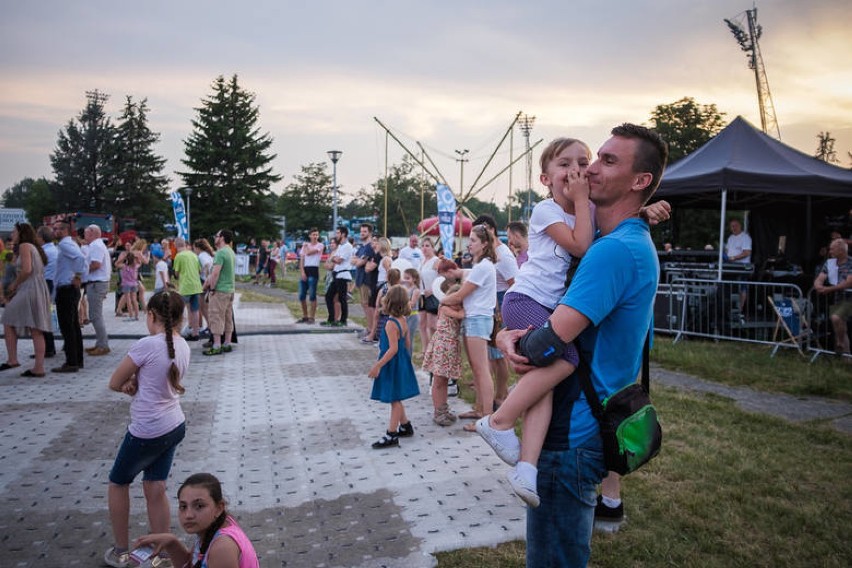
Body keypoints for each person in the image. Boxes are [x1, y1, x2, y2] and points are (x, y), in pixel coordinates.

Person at [496, 123, 668, 567]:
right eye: (596, 157)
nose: (589, 168)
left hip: (573, 432)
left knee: (553, 560)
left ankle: (496, 423)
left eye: (607, 161)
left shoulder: (613, 251)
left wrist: (512, 340)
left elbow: (550, 341)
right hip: (585, 417)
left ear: (640, 181)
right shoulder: (619, 241)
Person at [475, 137, 595, 507]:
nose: (574, 170)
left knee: (542, 384)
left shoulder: (587, 208)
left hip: (547, 307)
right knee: (566, 360)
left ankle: (527, 469)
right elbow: (580, 246)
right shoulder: (546, 210)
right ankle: (497, 421)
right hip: (526, 300)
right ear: (545, 178)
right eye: (564, 164)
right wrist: (580, 200)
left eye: (583, 162)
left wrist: (647, 210)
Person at [103, 290, 189, 568]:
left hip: (146, 431)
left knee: (118, 483)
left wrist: (129, 387)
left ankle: (120, 551)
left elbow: (115, 382)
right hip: (174, 424)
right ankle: (162, 552)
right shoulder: (183, 345)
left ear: (151, 315)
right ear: (180, 318)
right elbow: (158, 382)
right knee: (155, 486)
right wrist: (136, 386)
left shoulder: (146, 345)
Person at [439, 224, 497, 431]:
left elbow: (461, 294)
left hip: (478, 319)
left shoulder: (483, 267)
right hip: (476, 318)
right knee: (476, 367)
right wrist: (455, 271)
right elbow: (465, 274)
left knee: (481, 369)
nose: (469, 244)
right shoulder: (481, 266)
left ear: (484, 244)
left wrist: (442, 300)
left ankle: (487, 419)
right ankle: (481, 409)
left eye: (473, 240)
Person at [134, 473, 260, 568]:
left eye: (199, 506)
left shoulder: (222, 548)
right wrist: (171, 542)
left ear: (219, 508)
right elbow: (192, 564)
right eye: (183, 507)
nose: (188, 515)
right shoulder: (212, 528)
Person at [471, 214, 518, 406]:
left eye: (479, 233)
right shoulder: (491, 253)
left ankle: (501, 394)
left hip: (502, 300)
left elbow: (514, 284)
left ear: (489, 229)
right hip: (494, 301)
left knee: (499, 355)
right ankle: (496, 393)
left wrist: (502, 311)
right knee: (493, 355)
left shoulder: (503, 255)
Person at [367, 284, 420, 448]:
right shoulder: (403, 320)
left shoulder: (391, 323)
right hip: (401, 362)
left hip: (392, 363)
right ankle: (405, 425)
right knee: (396, 396)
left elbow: (393, 349)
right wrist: (405, 362)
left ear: (388, 302)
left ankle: (392, 434)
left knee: (394, 399)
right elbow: (407, 343)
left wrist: (378, 365)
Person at [0, 223, 52, 377]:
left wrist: (14, 285)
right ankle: (38, 367)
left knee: (8, 318)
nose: (12, 235)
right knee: (36, 328)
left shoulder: (24, 246)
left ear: (21, 233)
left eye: (14, 232)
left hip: (30, 288)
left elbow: (27, 270)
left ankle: (13, 359)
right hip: (37, 287)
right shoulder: (34, 247)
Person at [422, 278, 464, 426]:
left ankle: (443, 409)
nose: (460, 304)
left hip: (450, 345)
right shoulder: (445, 307)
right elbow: (462, 315)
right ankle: (438, 412)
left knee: (445, 380)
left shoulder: (452, 308)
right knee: (439, 380)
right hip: (443, 345)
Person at [51, 220, 86, 373]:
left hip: (66, 288)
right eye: (54, 229)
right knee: (73, 326)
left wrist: (78, 276)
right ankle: (77, 359)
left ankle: (71, 361)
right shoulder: (68, 244)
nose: (55, 231)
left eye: (58, 229)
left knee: (67, 327)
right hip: (68, 288)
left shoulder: (65, 245)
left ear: (65, 230)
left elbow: (80, 258)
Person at [813, 238, 852, 358]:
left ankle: (840, 343)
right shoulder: (829, 263)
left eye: (833, 249)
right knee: (839, 326)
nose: (830, 251)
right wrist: (818, 286)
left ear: (841, 250)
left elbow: (848, 283)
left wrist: (828, 289)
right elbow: (820, 277)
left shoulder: (851, 263)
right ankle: (846, 356)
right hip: (837, 299)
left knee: (836, 318)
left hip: (849, 298)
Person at [202, 229, 237, 355]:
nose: (214, 238)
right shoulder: (230, 252)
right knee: (228, 318)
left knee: (216, 316)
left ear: (221, 238)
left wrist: (211, 288)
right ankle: (227, 343)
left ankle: (216, 345)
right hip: (230, 290)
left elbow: (215, 273)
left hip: (220, 290)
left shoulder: (220, 253)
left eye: (216, 236)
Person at [83, 224, 112, 356]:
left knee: (95, 316)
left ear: (93, 233)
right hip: (98, 282)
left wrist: (82, 271)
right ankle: (100, 343)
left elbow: (96, 264)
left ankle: (103, 345)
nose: (84, 236)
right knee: (96, 315)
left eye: (86, 233)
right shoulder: (98, 245)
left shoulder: (95, 245)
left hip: (96, 283)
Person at [322, 226, 354, 327]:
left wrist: (333, 258)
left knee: (342, 298)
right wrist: (334, 258)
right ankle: (331, 319)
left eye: (338, 233)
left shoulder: (348, 246)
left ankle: (343, 320)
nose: (336, 235)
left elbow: (339, 260)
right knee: (328, 296)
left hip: (343, 275)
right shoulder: (340, 246)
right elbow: (335, 259)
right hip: (336, 274)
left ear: (343, 234)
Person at [173, 237, 203, 341]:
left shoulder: (179, 256)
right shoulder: (194, 255)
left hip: (186, 287)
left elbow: (176, 273)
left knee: (179, 310)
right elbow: (199, 271)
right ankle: (195, 334)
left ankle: (177, 333)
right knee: (195, 310)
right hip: (196, 286)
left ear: (175, 245)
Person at [352, 223, 379, 339]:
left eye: (364, 232)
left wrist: (358, 260)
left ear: (370, 233)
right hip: (360, 279)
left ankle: (372, 330)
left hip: (367, 280)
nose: (362, 233)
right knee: (364, 305)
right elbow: (352, 260)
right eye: (361, 231)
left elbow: (359, 262)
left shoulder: (368, 247)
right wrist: (357, 260)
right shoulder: (361, 247)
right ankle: (369, 328)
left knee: (368, 305)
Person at [35, 225, 58, 358]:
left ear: (41, 238)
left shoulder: (43, 252)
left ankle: (47, 348)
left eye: (37, 236)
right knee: (46, 315)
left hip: (45, 284)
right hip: (51, 283)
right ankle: (49, 347)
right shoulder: (54, 249)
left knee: (42, 316)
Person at [418, 237, 441, 355]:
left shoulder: (436, 261)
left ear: (433, 248)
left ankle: (435, 348)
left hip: (432, 295)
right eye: (423, 246)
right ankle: (425, 349)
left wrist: (432, 290)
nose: (424, 248)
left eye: (427, 246)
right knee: (422, 322)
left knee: (432, 324)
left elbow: (442, 279)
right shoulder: (422, 261)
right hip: (422, 294)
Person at [296, 229, 324, 324]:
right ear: (310, 236)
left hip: (314, 270)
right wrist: (302, 272)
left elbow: (309, 253)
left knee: (312, 295)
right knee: (302, 295)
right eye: (313, 234)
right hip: (306, 269)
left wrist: (305, 246)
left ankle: (312, 317)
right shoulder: (305, 245)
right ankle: (305, 316)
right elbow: (302, 260)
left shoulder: (320, 245)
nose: (315, 236)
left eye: (317, 235)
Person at [725, 218, 752, 313]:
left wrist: (734, 258)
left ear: (740, 226)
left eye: (735, 226)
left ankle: (740, 309)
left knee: (742, 287)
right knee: (731, 288)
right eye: (732, 226)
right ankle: (729, 308)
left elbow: (747, 252)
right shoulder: (730, 238)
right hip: (730, 267)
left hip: (742, 267)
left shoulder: (745, 237)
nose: (733, 228)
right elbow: (727, 251)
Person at [116, 249, 141, 322]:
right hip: (134, 284)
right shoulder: (135, 266)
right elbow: (140, 263)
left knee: (128, 300)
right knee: (134, 300)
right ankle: (136, 315)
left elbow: (116, 264)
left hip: (126, 284)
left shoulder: (124, 266)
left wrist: (122, 258)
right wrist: (137, 258)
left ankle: (131, 315)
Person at [402, 267, 421, 356]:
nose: (405, 280)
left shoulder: (416, 290)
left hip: (412, 316)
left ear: (414, 279)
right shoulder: (405, 288)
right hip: (405, 316)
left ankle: (408, 358)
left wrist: (400, 301)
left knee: (409, 338)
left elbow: (412, 303)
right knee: (403, 338)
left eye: (408, 278)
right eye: (404, 278)